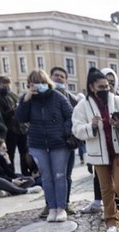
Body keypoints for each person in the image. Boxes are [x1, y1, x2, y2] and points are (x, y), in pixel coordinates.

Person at [72, 68, 119, 232]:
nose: (105, 89)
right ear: (92, 87)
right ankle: (111, 221)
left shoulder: (117, 100)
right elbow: (76, 129)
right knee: (106, 188)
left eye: (107, 86)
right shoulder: (82, 106)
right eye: (101, 86)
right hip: (99, 155)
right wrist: (90, 126)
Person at [16, 69, 74, 223]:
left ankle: (61, 208)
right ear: (30, 85)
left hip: (59, 143)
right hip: (38, 143)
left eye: (42, 82)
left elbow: (70, 115)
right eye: (36, 83)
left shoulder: (57, 97)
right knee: (46, 177)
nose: (39, 86)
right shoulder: (27, 99)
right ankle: (52, 208)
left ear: (47, 82)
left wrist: (63, 132)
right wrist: (26, 100)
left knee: (60, 175)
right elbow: (21, 118)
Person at [51, 66, 80, 214]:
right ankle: (50, 204)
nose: (59, 78)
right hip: (49, 143)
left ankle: (65, 203)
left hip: (66, 143)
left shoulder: (72, 99)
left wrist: (73, 139)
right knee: (50, 176)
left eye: (62, 76)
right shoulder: (43, 97)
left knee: (65, 175)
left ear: (66, 80)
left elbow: (77, 120)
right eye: (56, 75)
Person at [0, 76, 30, 175]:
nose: (6, 87)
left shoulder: (14, 96)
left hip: (22, 128)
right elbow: (2, 115)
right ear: (0, 85)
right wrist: (14, 109)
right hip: (11, 130)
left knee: (24, 153)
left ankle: (25, 171)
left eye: (8, 85)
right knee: (10, 153)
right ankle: (11, 172)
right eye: (4, 85)